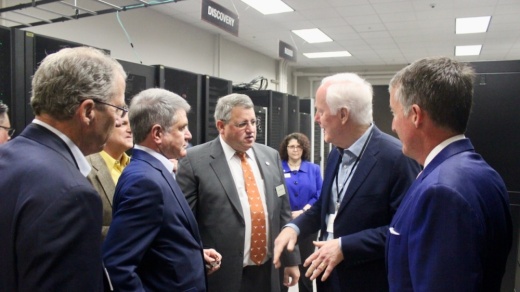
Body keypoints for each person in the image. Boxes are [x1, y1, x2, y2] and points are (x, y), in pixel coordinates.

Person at [273, 73, 420, 291]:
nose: (316, 119)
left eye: (321, 111)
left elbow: (406, 230)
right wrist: (293, 228)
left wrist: (345, 247)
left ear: (343, 115)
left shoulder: (397, 158)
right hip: (328, 278)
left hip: (369, 281)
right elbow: (323, 207)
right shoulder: (336, 154)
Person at [0, 46, 126, 291]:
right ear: (88, 111)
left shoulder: (8, 156)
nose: (119, 119)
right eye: (118, 108)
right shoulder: (73, 194)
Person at [386, 57, 512, 291]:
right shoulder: (482, 172)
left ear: (415, 115)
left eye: (394, 113)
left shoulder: (441, 192)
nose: (393, 125)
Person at [176, 93, 300, 292]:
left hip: (268, 271)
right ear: (221, 126)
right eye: (242, 124)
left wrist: (291, 259)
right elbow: (183, 222)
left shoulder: (270, 156)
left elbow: (283, 211)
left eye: (253, 122)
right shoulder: (194, 161)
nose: (251, 130)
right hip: (222, 274)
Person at [102, 88, 221, 291]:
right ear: (157, 134)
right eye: (182, 128)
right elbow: (117, 265)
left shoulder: (155, 170)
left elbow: (157, 241)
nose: (189, 135)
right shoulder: (144, 182)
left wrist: (192, 255)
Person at [279, 132, 322, 292]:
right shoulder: (279, 168)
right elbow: (277, 190)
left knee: (306, 265)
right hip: (285, 222)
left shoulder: (314, 169)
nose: (295, 150)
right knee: (284, 266)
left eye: (299, 146)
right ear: (286, 149)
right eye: (291, 146)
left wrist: (303, 211)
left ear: (304, 149)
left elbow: (320, 194)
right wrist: (287, 210)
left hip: (307, 223)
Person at [86, 114, 133, 240]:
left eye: (131, 123)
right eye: (123, 124)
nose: (130, 129)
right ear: (103, 127)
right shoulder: (85, 168)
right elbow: (83, 228)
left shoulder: (138, 166)